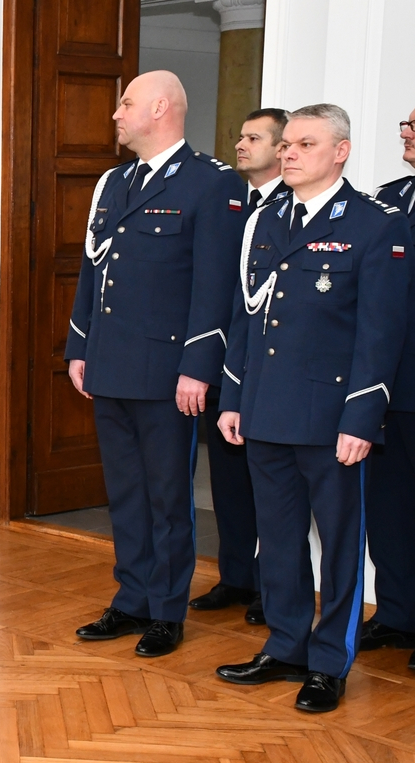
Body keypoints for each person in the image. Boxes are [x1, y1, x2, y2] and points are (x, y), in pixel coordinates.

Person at [215, 104, 411, 713]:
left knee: (340, 546)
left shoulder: (374, 224)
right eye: (287, 144)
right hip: (265, 409)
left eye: (305, 143)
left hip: (332, 418)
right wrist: (233, 397)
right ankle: (286, 645)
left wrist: (362, 418)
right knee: (277, 541)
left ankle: (328, 664)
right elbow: (246, 317)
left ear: (340, 151)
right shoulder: (267, 218)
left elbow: (381, 334)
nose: (289, 153)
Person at [67, 71, 246, 657]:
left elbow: (216, 286)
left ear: (161, 108)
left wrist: (199, 366)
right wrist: (79, 347)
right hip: (111, 363)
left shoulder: (211, 182)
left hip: (169, 371)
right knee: (125, 493)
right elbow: (93, 271)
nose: (117, 114)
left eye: (126, 103)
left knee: (168, 497)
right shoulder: (114, 182)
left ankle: (166, 610)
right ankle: (131, 599)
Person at [189, 108, 290, 626]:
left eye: (255, 137)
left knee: (271, 487)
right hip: (222, 362)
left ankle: (272, 586)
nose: (241, 144)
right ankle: (235, 576)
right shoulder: (228, 201)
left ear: (281, 148)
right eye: (241, 135)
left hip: (270, 367)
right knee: (228, 479)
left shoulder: (293, 208)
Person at [362, 87, 415, 671]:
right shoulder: (389, 201)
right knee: (387, 511)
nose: (407, 133)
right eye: (406, 124)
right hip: (383, 389)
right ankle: (395, 614)